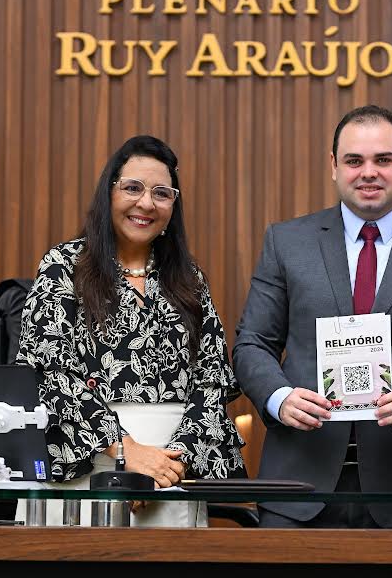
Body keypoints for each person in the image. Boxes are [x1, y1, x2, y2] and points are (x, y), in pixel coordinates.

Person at [232, 105, 392, 528]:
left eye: (383, 160)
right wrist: (280, 398)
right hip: (299, 487)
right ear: (334, 166)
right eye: (354, 160)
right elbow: (252, 344)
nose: (368, 172)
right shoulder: (286, 242)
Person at [16, 135, 245, 526]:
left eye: (161, 193)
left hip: (172, 477)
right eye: (132, 188)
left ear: (174, 205)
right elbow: (50, 373)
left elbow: (212, 382)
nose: (146, 204)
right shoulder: (64, 266)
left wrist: (169, 463)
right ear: (109, 193)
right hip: (85, 467)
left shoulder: (189, 279)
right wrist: (126, 452)